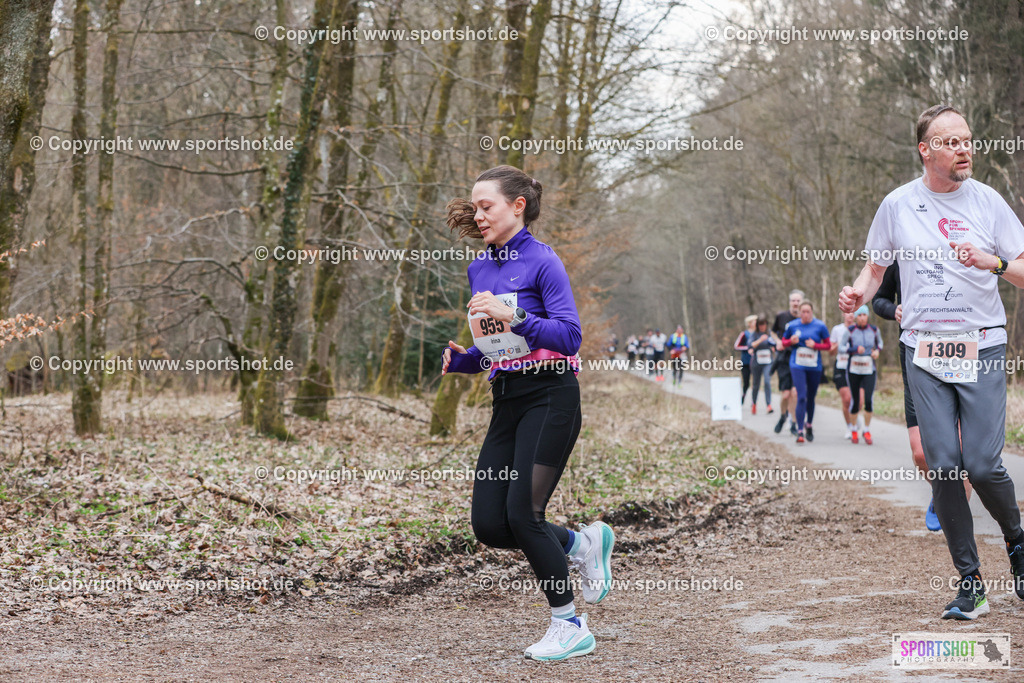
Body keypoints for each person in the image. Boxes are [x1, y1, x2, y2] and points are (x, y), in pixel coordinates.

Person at [840, 105, 1024, 620]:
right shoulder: (898, 205)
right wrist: (857, 294)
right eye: (952, 141)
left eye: (968, 140)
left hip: (981, 345)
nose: (965, 148)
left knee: (984, 466)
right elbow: (875, 270)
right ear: (926, 150)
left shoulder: (987, 202)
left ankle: (1017, 542)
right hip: (924, 350)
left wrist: (997, 263)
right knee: (943, 468)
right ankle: (971, 583)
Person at [441, 165, 614, 658]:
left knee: (524, 514)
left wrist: (513, 313)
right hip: (507, 401)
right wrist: (466, 360)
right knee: (490, 525)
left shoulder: (543, 262)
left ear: (517, 206)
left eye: (486, 206)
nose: (477, 215)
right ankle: (580, 546)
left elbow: (569, 336)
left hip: (551, 397)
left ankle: (569, 625)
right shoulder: (480, 268)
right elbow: (500, 347)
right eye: (473, 207)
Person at [872, 262, 973, 530]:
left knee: (962, 450)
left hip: (960, 349)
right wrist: (894, 309)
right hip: (915, 353)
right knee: (920, 454)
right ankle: (941, 491)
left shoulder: (958, 249)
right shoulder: (899, 258)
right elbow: (878, 299)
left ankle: (959, 531)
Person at [781, 300, 831, 443]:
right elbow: (783, 343)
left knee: (811, 396)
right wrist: (790, 341)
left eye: (808, 311)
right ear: (799, 313)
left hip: (814, 366)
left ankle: (809, 424)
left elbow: (828, 345)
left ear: (812, 312)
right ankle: (800, 430)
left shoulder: (820, 326)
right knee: (801, 396)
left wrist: (816, 345)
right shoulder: (793, 326)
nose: (805, 314)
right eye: (803, 311)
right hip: (797, 365)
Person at [844, 305, 882, 444]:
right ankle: (854, 429)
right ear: (855, 317)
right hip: (853, 369)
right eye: (859, 315)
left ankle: (866, 430)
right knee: (855, 401)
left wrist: (877, 351)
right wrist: (854, 349)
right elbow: (842, 348)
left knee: (868, 400)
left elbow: (880, 344)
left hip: (868, 369)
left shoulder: (874, 330)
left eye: (864, 315)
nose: (862, 318)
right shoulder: (850, 330)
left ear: (867, 316)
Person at [773, 290, 804, 434]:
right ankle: (782, 416)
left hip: (799, 358)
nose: (796, 303)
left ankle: (794, 422)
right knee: (785, 394)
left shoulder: (806, 317)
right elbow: (772, 332)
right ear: (789, 302)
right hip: (784, 358)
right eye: (793, 301)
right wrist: (778, 342)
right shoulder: (781, 316)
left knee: (795, 393)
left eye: (798, 301)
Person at [829, 310, 856, 439]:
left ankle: (854, 418)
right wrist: (839, 345)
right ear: (843, 315)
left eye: (853, 313)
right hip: (840, 366)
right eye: (848, 313)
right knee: (846, 399)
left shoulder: (858, 329)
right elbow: (830, 352)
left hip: (855, 368)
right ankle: (849, 426)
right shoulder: (837, 330)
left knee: (857, 401)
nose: (850, 316)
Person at [748, 315, 776, 414]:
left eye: (763, 324)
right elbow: (750, 345)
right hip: (757, 363)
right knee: (756, 384)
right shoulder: (754, 334)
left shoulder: (769, 333)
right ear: (757, 325)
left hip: (768, 362)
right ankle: (754, 403)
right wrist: (761, 340)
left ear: (766, 324)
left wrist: (774, 348)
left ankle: (769, 405)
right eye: (760, 324)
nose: (762, 326)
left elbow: (775, 344)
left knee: (767, 382)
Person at [734, 315, 756, 404]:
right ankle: (743, 397)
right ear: (749, 323)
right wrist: (748, 348)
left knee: (756, 383)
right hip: (746, 362)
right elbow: (736, 346)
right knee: (746, 383)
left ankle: (754, 402)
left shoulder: (759, 333)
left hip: (756, 362)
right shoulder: (744, 334)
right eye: (755, 321)